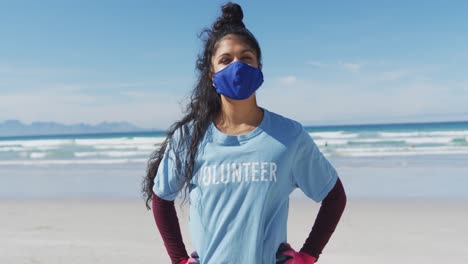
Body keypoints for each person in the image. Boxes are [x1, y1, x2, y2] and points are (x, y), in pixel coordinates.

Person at [142, 2, 346, 263]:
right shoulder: (189, 138)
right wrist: (179, 259)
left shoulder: (288, 136)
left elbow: (334, 196)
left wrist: (308, 255)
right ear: (212, 74)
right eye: (225, 60)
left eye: (246, 58)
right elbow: (161, 198)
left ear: (259, 69)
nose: (237, 66)